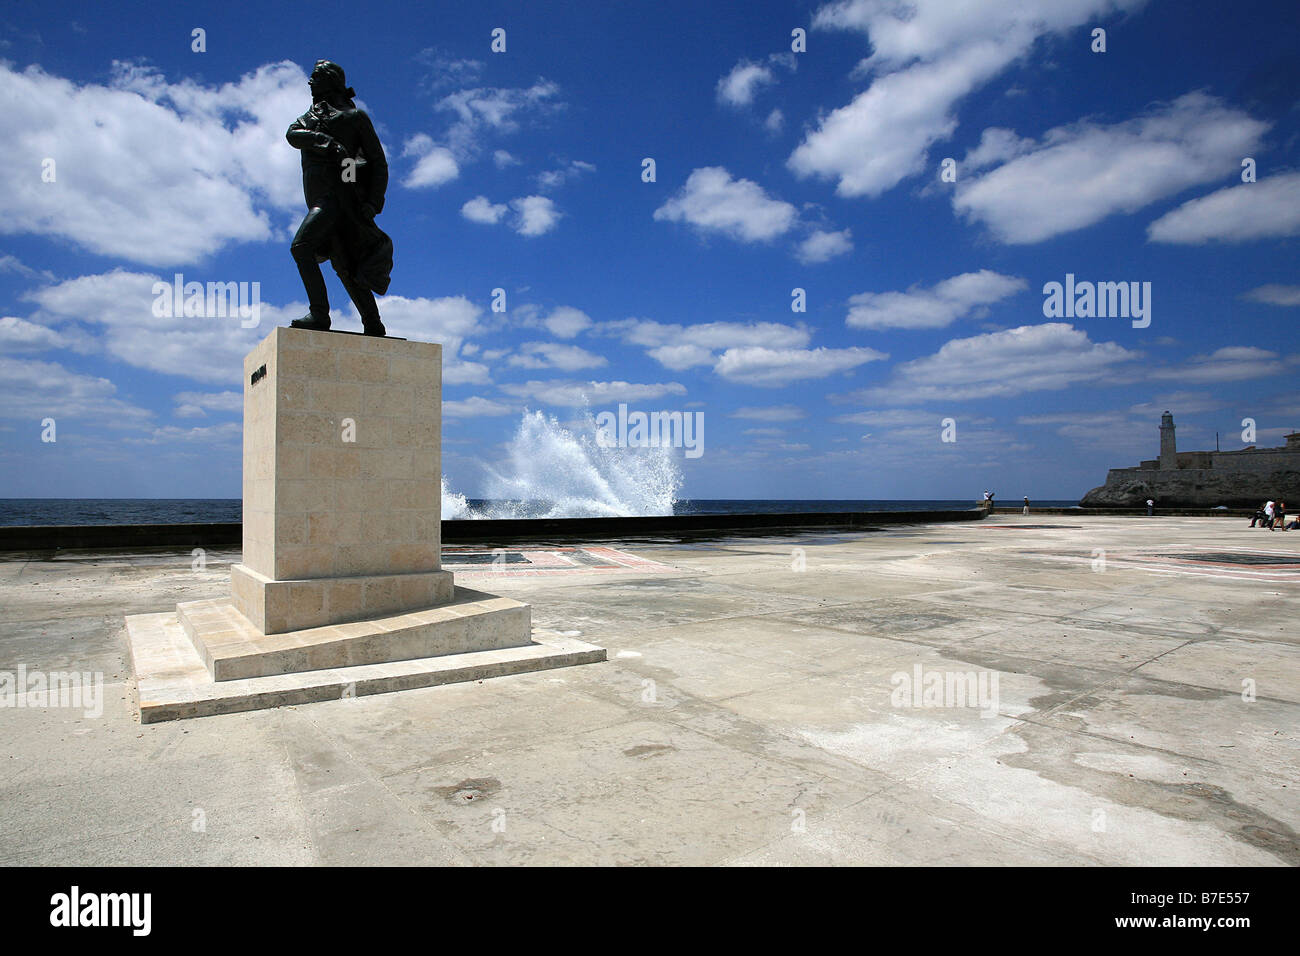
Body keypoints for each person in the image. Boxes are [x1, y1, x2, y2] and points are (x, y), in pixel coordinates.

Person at [286, 60, 393, 336]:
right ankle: (373, 322)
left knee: (302, 247)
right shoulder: (311, 119)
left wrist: (373, 203)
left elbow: (378, 164)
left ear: (331, 81)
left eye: (316, 77)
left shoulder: (353, 118)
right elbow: (292, 134)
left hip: (338, 199)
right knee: (344, 265)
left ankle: (320, 314)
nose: (310, 82)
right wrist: (327, 142)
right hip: (320, 199)